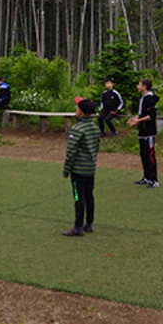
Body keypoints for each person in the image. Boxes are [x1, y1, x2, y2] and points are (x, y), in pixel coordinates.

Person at [61, 97, 101, 236]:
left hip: (78, 170)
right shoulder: (95, 128)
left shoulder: (77, 129)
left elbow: (71, 152)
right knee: (89, 195)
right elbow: (96, 147)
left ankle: (78, 227)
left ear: (81, 111)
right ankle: (89, 223)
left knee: (79, 197)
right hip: (90, 168)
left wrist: (66, 170)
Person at [127, 79, 159, 188]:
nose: (137, 86)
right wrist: (135, 119)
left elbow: (151, 116)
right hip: (142, 131)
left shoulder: (149, 99)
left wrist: (138, 121)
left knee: (150, 156)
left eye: (139, 84)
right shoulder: (143, 98)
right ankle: (147, 177)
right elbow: (142, 114)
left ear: (144, 86)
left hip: (149, 132)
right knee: (144, 155)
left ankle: (154, 180)